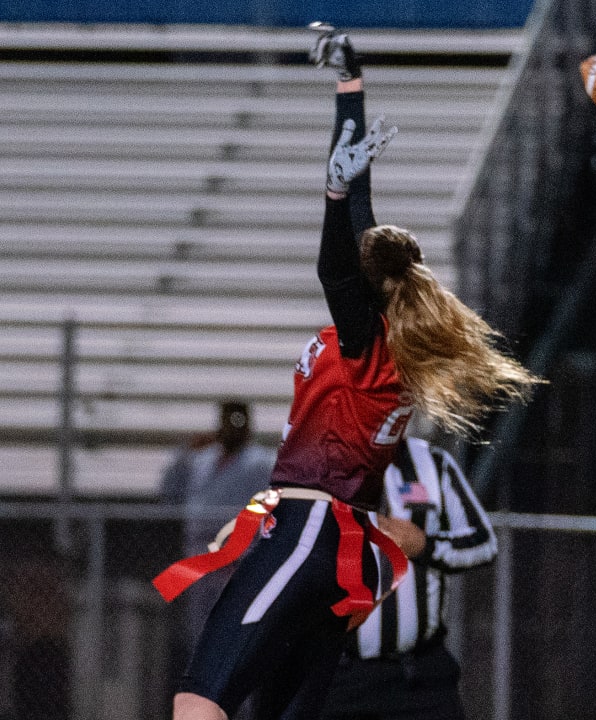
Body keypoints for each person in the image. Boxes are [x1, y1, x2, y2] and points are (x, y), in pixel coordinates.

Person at [152, 25, 540, 720]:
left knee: (198, 704)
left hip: (307, 531)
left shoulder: (370, 346)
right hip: (338, 547)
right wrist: (350, 84)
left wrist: (333, 198)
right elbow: (359, 206)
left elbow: (336, 256)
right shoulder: (387, 344)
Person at [320, 436, 497, 720]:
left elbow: (484, 543)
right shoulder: (318, 464)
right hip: (338, 676)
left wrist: (425, 546)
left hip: (417, 676)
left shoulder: (433, 463)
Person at [159, 400, 275, 670]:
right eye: (227, 421)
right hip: (198, 555)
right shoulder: (202, 460)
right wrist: (184, 452)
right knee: (198, 632)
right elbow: (168, 491)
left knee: (236, 629)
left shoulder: (260, 463)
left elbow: (269, 505)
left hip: (236, 556)